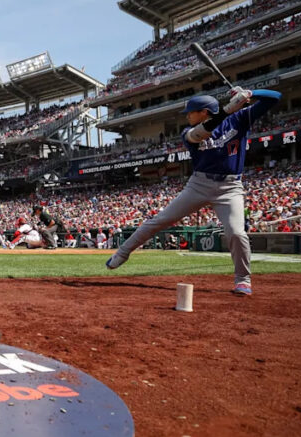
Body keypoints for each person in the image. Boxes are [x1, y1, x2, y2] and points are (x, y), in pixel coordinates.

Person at [106, 87, 282, 295]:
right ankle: (122, 253)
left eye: (191, 112)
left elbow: (275, 98)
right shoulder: (188, 133)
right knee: (160, 220)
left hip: (230, 187)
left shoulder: (240, 118)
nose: (187, 116)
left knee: (236, 232)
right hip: (199, 184)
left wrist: (251, 93)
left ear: (204, 111)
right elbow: (202, 132)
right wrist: (229, 108)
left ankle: (243, 279)